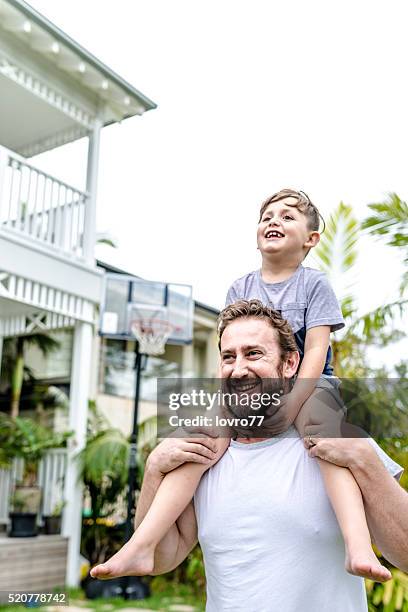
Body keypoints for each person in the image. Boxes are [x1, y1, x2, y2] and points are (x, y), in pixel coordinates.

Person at [91, 189, 391, 582]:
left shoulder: (315, 285)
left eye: (287, 217)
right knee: (199, 443)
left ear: (311, 239)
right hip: (253, 391)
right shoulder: (240, 287)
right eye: (267, 216)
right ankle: (141, 545)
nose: (273, 222)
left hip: (311, 384)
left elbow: (317, 349)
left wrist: (297, 401)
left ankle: (357, 544)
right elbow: (231, 350)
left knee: (328, 442)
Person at [100, 302, 406, 611]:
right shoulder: (202, 454)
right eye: (228, 357)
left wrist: (366, 461)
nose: (239, 368)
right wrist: (153, 470)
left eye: (254, 353)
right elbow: (161, 557)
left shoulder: (336, 443)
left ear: (290, 364)